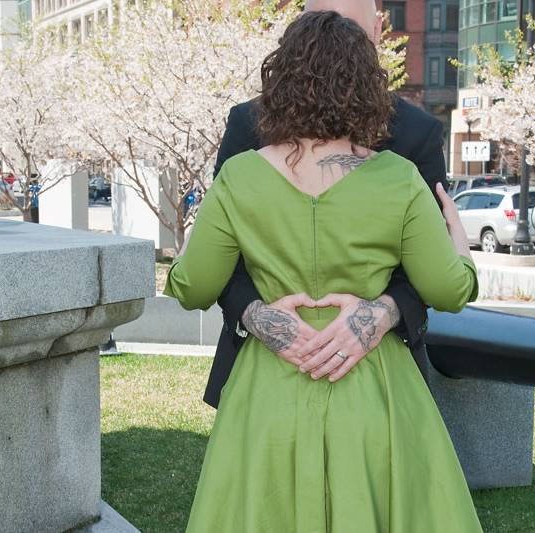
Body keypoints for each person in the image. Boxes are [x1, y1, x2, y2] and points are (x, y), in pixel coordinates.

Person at [164, 10, 483, 532]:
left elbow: (192, 285)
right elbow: (450, 290)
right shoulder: (399, 179)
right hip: (374, 391)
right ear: (368, 86)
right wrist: (462, 250)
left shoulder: (240, 176)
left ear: (280, 82)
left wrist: (192, 243)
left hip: (268, 392)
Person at [203, 0, 447, 411]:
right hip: (260, 371)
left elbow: (429, 262)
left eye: (347, 27)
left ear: (375, 33)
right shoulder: (247, 122)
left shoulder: (418, 132)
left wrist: (381, 315)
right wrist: (258, 316)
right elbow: (220, 248)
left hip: (381, 373)